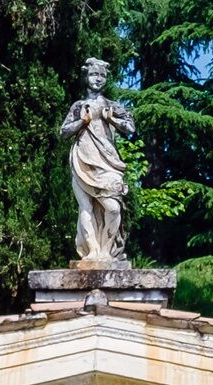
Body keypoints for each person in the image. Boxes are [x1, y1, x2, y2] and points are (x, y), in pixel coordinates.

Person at [58, 57, 135, 266]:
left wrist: (112, 120)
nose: (98, 79)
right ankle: (92, 251)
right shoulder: (79, 106)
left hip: (107, 161)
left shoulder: (112, 106)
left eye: (102, 75)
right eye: (94, 74)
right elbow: (64, 132)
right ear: (86, 77)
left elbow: (131, 128)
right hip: (82, 158)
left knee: (112, 207)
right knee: (85, 207)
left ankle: (108, 251)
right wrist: (82, 121)